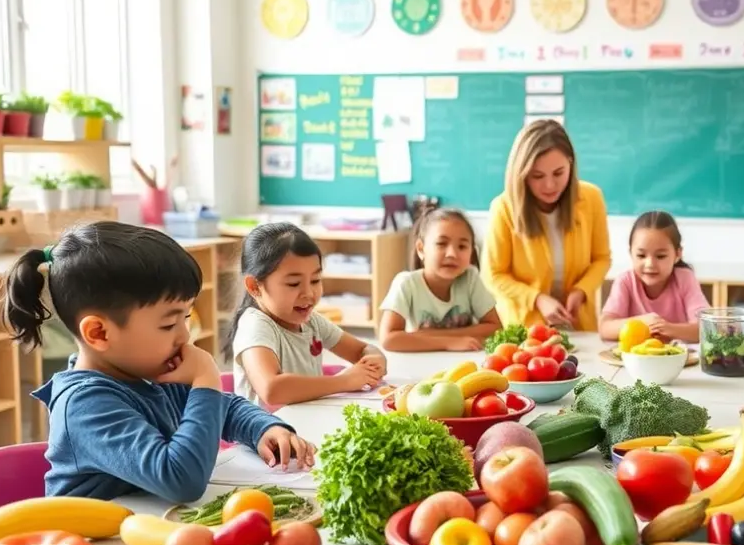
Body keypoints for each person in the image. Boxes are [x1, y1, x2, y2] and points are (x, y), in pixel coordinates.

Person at [4, 222, 314, 504]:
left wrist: (264, 428)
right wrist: (205, 379)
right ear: (99, 333)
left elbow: (226, 408)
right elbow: (181, 480)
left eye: (186, 317)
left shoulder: (145, 372)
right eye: (168, 324)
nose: (185, 334)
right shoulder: (85, 405)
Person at [225, 223, 387, 407]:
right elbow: (272, 389)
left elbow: (361, 350)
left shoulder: (312, 322)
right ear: (255, 286)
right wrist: (345, 381)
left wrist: (375, 360)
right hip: (268, 434)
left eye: (315, 280)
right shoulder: (255, 325)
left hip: (305, 423)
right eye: (294, 284)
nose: (309, 293)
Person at [481, 119, 611, 332]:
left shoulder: (592, 198)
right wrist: (537, 299)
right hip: (524, 331)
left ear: (571, 163)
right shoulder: (503, 208)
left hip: (580, 327)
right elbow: (493, 275)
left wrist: (581, 291)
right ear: (521, 174)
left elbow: (601, 259)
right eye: (537, 176)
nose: (549, 185)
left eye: (559, 173)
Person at [379, 207, 501, 351]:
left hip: (464, 360)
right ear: (420, 249)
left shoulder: (470, 278)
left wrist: (432, 335)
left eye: (462, 246)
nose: (452, 254)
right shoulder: (406, 283)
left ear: (471, 252)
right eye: (441, 244)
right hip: (420, 363)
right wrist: (448, 343)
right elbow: (389, 339)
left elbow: (495, 328)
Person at [599, 210, 708, 344]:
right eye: (641, 256)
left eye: (660, 256)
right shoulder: (625, 281)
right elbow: (604, 327)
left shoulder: (685, 279)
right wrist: (642, 322)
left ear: (677, 254)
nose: (650, 264)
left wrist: (667, 329)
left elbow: (707, 328)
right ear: (630, 253)